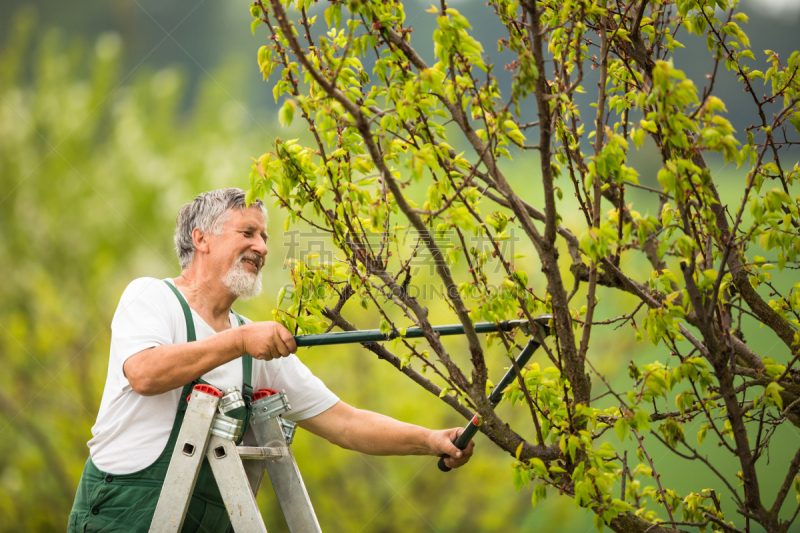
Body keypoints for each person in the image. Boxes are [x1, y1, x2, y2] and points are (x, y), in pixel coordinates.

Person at [68, 188, 474, 532]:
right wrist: (240, 340)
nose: (262, 247)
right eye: (247, 232)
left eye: (264, 237)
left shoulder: (254, 346)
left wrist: (429, 440)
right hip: (120, 515)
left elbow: (346, 423)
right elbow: (144, 372)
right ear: (201, 238)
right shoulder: (153, 298)